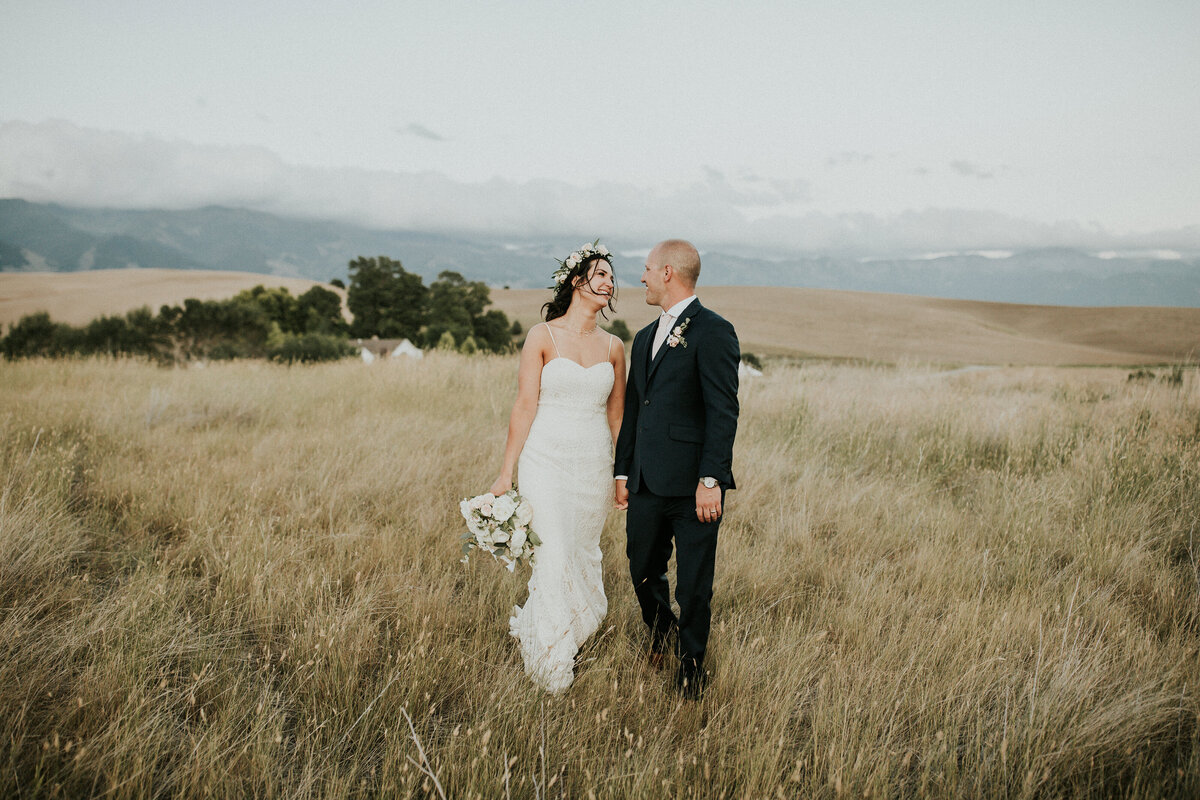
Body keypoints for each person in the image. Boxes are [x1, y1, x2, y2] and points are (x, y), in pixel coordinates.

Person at [490, 241, 627, 693]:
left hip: (591, 465)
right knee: (553, 552)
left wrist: (620, 472)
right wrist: (505, 473)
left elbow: (617, 416)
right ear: (576, 282)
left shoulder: (614, 346)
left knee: (580, 553)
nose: (609, 282)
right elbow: (525, 405)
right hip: (544, 460)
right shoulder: (541, 336)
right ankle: (550, 663)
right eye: (600, 273)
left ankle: (569, 629)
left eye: (611, 275)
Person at [614, 239, 739, 700]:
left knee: (694, 584)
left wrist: (711, 481)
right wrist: (623, 472)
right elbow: (635, 410)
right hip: (645, 481)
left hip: (694, 488)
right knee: (641, 567)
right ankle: (660, 633)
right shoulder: (644, 336)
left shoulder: (713, 331)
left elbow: (723, 412)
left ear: (668, 272)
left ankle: (691, 671)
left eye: (646, 269)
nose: (641, 277)